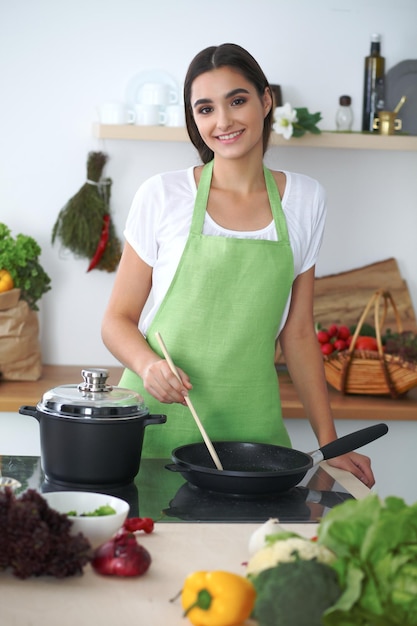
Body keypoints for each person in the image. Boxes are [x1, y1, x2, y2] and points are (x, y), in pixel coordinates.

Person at [102, 43, 375, 487]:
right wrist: (149, 365)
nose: (223, 121)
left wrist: (331, 444)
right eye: (205, 109)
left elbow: (299, 332)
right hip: (156, 424)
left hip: (254, 433)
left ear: (266, 101)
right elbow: (117, 320)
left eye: (237, 100)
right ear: (195, 120)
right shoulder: (163, 195)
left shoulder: (306, 200)